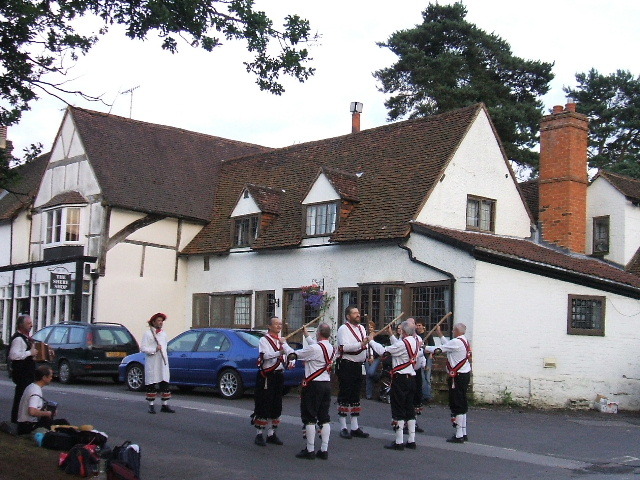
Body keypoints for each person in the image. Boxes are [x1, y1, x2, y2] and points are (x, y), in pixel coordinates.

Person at [368, 320, 423, 450]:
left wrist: (371, 341)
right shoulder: (415, 341)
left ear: (403, 332)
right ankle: (411, 440)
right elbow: (398, 346)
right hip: (412, 378)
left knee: (398, 407)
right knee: (409, 408)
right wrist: (391, 335)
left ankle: (399, 442)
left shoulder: (403, 344)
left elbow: (384, 351)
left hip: (401, 379)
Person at [293, 323, 334, 460]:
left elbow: (295, 354)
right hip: (326, 384)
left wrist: (283, 345)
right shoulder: (331, 348)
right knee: (324, 416)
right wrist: (306, 335)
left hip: (313, 386)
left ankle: (310, 450)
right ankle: (324, 449)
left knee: (309, 416)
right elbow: (315, 348)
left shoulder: (314, 349)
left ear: (318, 333)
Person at [425, 323, 472, 443]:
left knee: (457, 403)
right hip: (464, 374)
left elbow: (440, 349)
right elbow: (448, 345)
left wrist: (423, 347)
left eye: (453, 330)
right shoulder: (464, 340)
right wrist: (440, 334)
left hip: (457, 376)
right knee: (462, 401)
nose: (452, 332)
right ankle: (463, 432)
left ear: (457, 331)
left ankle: (459, 434)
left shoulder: (456, 342)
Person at [252, 316, 295, 447]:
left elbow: (289, 355)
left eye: (280, 324)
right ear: (269, 326)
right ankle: (259, 434)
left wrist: (289, 357)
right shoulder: (264, 340)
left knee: (276, 404)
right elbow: (265, 356)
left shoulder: (281, 341)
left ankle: (271, 434)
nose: (279, 326)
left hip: (278, 376)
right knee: (264, 403)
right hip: (267, 376)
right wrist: (280, 351)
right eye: (276, 324)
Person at [335, 305, 370, 439]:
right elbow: (344, 348)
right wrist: (361, 344)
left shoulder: (361, 328)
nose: (358, 315)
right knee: (345, 394)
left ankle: (355, 426)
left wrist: (368, 353)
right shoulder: (343, 329)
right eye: (354, 313)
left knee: (355, 395)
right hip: (346, 365)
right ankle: (343, 426)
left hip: (358, 366)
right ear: (348, 316)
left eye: (358, 312)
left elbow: (365, 344)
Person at [141, 312, 175, 414]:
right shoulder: (148, 334)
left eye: (161, 321)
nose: (160, 323)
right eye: (158, 321)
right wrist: (154, 349)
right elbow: (143, 348)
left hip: (162, 362)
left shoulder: (164, 334)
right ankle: (151, 405)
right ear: (153, 322)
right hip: (153, 362)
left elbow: (165, 346)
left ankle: (165, 405)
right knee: (151, 383)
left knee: (164, 383)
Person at [9, 315, 37, 423]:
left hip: (26, 373)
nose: (31, 325)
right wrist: (30, 352)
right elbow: (14, 355)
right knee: (20, 398)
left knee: (24, 398)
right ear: (21, 325)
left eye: (31, 323)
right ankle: (16, 421)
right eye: (29, 323)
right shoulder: (18, 339)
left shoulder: (25, 338)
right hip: (22, 374)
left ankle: (20, 420)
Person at [16, 365, 56, 434]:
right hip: (28, 426)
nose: (51, 378)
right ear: (44, 377)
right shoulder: (35, 391)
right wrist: (47, 413)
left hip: (25, 424)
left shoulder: (32, 386)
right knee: (61, 423)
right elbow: (32, 411)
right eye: (50, 376)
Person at [416, 319, 435, 405]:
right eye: (417, 325)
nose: (418, 327)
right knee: (421, 377)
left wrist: (431, 356)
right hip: (419, 358)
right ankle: (422, 395)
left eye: (420, 325)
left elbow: (432, 347)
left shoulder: (428, 335)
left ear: (423, 326)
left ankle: (428, 396)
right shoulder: (415, 336)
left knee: (427, 377)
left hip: (427, 358)